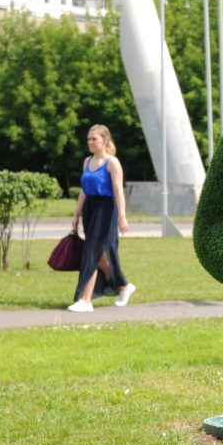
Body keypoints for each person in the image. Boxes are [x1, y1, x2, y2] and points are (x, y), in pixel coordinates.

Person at [68, 124, 136, 312]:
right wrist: (76, 214)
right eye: (88, 139)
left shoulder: (112, 162)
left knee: (92, 251)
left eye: (94, 139)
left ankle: (85, 299)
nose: (90, 142)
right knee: (101, 256)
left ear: (104, 140)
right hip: (90, 209)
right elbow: (84, 190)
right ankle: (123, 285)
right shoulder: (87, 161)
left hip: (106, 209)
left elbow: (118, 191)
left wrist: (122, 216)